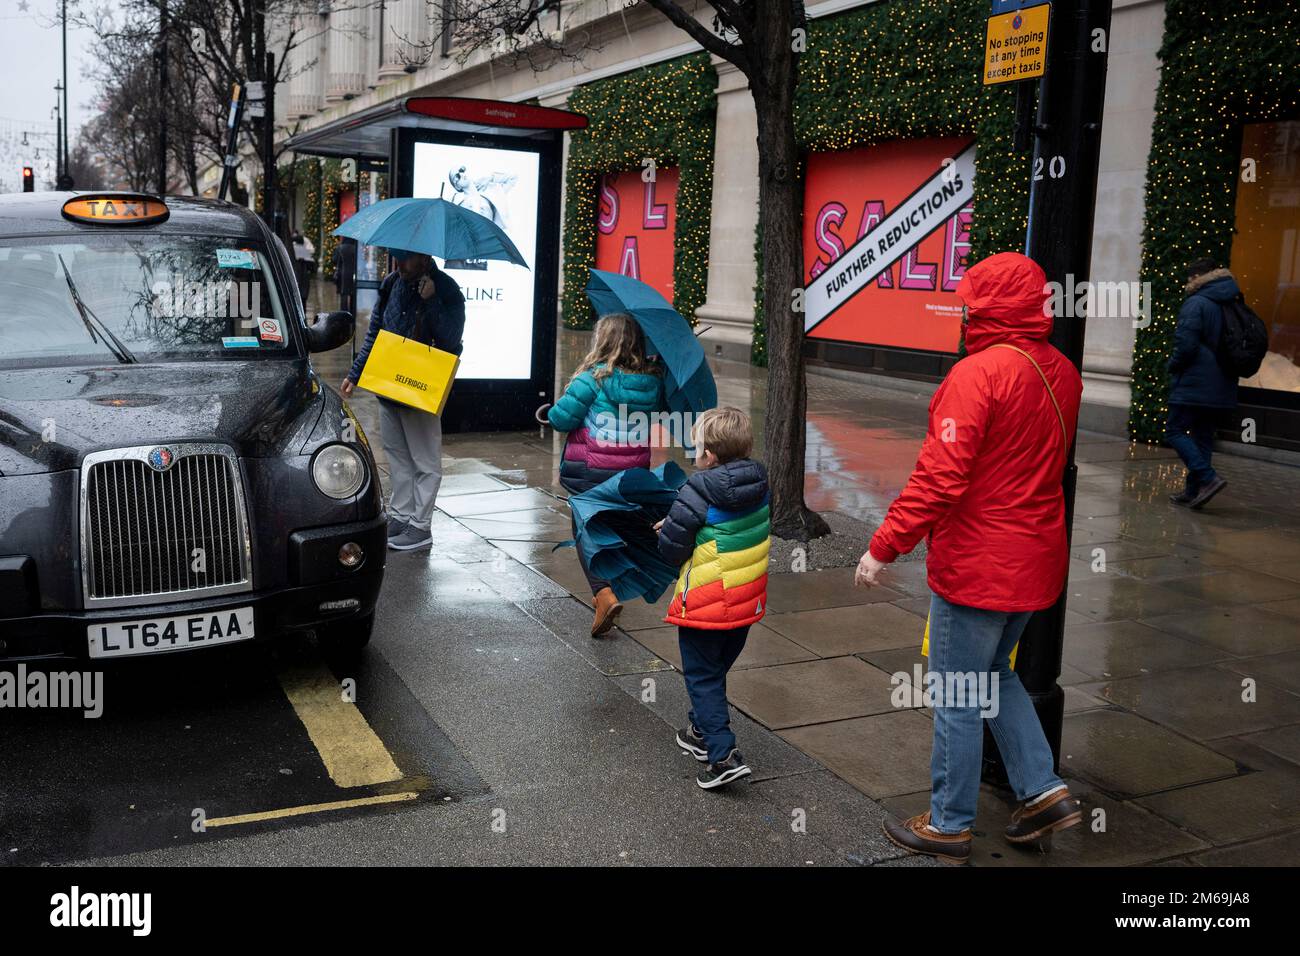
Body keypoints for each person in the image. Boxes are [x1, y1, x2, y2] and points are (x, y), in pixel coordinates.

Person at [856, 252, 1084, 864]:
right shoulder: (1061, 370)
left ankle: (949, 823)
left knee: (957, 689)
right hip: (1036, 556)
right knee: (994, 675)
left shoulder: (977, 374)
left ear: (983, 308)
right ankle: (1042, 790)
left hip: (981, 560)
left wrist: (884, 546)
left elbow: (939, 477)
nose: (962, 313)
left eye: (969, 304)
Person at [656, 407, 769, 790]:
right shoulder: (758, 482)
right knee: (715, 668)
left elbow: (672, 550)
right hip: (745, 598)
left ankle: (722, 756)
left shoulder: (698, 488)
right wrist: (681, 520)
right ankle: (700, 731)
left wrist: (671, 525)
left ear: (709, 456)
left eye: (697, 446)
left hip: (707, 601)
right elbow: (724, 524)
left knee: (702, 674)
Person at [545, 313, 665, 636]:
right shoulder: (653, 384)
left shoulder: (591, 380)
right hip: (630, 477)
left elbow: (561, 419)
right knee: (612, 525)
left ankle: (603, 594)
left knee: (585, 530)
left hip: (591, 474)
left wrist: (552, 410)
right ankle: (619, 580)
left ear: (603, 341)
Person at [341, 249, 466, 552]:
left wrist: (432, 300)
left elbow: (452, 340)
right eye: (396, 258)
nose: (399, 264)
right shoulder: (391, 283)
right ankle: (401, 515)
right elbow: (375, 332)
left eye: (405, 258)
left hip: (420, 385)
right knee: (397, 454)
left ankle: (420, 526)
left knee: (424, 459)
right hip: (388, 382)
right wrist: (356, 373)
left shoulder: (447, 289)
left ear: (423, 258)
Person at [1165, 258, 1239, 509]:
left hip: (1195, 382)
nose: (1188, 282)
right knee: (1202, 436)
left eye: (1189, 278)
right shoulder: (1231, 301)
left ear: (1197, 277)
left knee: (1174, 431)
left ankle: (1207, 479)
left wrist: (1172, 365)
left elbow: (1185, 345)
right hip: (1222, 383)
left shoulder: (1196, 303)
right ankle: (1194, 490)